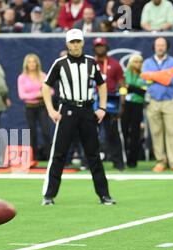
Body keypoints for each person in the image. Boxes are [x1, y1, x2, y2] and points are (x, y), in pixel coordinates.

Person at [41, 29, 115, 206]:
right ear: (67, 44)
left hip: (87, 110)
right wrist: (51, 110)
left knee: (93, 155)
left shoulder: (91, 62)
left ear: (82, 43)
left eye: (77, 42)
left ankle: (104, 195)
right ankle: (49, 195)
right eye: (72, 42)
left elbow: (102, 85)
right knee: (59, 154)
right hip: (67, 110)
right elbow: (46, 87)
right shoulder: (60, 63)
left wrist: (102, 108)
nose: (75, 45)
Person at [141, 37, 173, 172]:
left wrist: (153, 75)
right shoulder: (147, 62)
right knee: (156, 132)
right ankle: (160, 161)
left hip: (170, 101)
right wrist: (164, 74)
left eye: (162, 45)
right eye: (158, 45)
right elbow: (144, 79)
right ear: (154, 47)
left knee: (172, 131)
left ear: (166, 47)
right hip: (153, 101)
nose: (160, 47)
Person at [93, 37, 126, 171]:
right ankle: (90, 162)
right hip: (92, 102)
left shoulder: (115, 64)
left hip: (110, 102)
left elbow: (122, 84)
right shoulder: (89, 63)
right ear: (94, 48)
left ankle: (118, 162)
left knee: (113, 133)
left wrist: (122, 103)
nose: (100, 48)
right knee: (90, 133)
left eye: (102, 46)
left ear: (107, 48)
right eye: (97, 46)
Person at [17, 53, 51, 161]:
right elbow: (22, 95)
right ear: (26, 64)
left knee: (46, 131)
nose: (32, 64)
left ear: (37, 63)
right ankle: (34, 156)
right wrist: (37, 94)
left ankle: (49, 155)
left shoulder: (43, 76)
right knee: (32, 132)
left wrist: (45, 93)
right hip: (29, 107)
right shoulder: (22, 78)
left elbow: (51, 90)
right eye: (29, 62)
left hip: (42, 106)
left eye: (34, 62)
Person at [121, 54, 146, 168]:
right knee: (124, 131)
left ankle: (133, 160)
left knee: (136, 133)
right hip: (126, 105)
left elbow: (144, 91)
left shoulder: (144, 75)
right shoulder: (125, 74)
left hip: (138, 105)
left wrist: (131, 88)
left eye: (140, 62)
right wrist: (136, 89)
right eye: (135, 62)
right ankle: (123, 158)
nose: (138, 64)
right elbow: (122, 88)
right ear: (131, 63)